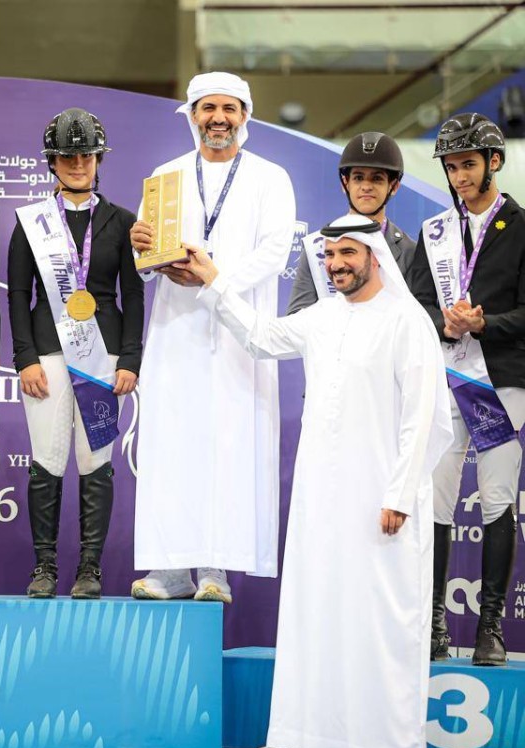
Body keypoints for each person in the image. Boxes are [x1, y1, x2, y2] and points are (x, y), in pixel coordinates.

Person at [181, 215, 451, 748]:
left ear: (374, 255)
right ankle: (305, 735)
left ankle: (374, 745)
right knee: (315, 613)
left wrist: (401, 492)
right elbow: (260, 337)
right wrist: (213, 279)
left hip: (383, 503)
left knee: (378, 619)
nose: (335, 265)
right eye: (328, 255)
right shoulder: (322, 317)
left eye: (347, 253)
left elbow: (424, 416)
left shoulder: (407, 321)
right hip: (320, 502)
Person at [129, 72, 295, 603]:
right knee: (172, 445)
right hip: (176, 332)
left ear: (244, 116)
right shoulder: (166, 176)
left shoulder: (270, 178)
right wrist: (142, 250)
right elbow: (147, 258)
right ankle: (169, 571)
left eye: (229, 108)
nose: (218, 118)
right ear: (192, 115)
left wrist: (213, 279)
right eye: (208, 108)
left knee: (229, 446)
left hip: (239, 333)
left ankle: (215, 570)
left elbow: (274, 252)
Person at [7, 108, 142, 599]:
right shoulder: (32, 222)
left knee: (95, 460)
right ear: (52, 162)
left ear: (99, 159)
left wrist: (130, 359)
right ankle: (44, 567)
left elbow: (134, 295)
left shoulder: (123, 221)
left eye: (86, 156)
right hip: (46, 353)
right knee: (46, 459)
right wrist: (24, 357)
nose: (78, 164)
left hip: (103, 355)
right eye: (68, 157)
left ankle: (89, 569)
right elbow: (17, 294)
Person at [407, 112, 524, 666]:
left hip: (502, 381)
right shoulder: (435, 232)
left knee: (498, 500)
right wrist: (446, 325)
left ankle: (490, 629)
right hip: (445, 376)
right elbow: (417, 306)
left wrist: (485, 324)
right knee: (436, 496)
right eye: (451, 167)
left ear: (493, 162)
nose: (459, 176)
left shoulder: (521, 227)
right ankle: (433, 622)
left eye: (468, 165)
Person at [286, 132, 416, 314]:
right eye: (358, 177)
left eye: (377, 178)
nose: (366, 186)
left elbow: (419, 320)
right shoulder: (316, 246)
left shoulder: (410, 251)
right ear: (345, 183)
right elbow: (297, 318)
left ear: (393, 186)